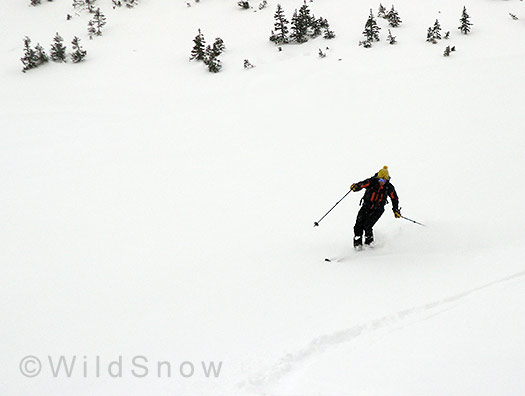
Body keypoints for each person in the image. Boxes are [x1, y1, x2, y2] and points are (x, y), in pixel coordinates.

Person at [350, 166, 401, 248]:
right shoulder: (372, 182)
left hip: (378, 209)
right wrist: (356, 187)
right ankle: (357, 245)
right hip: (366, 206)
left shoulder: (389, 187)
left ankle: (369, 245)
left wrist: (395, 210)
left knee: (367, 226)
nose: (382, 182)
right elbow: (362, 184)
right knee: (358, 225)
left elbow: (394, 198)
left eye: (384, 180)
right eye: (380, 180)